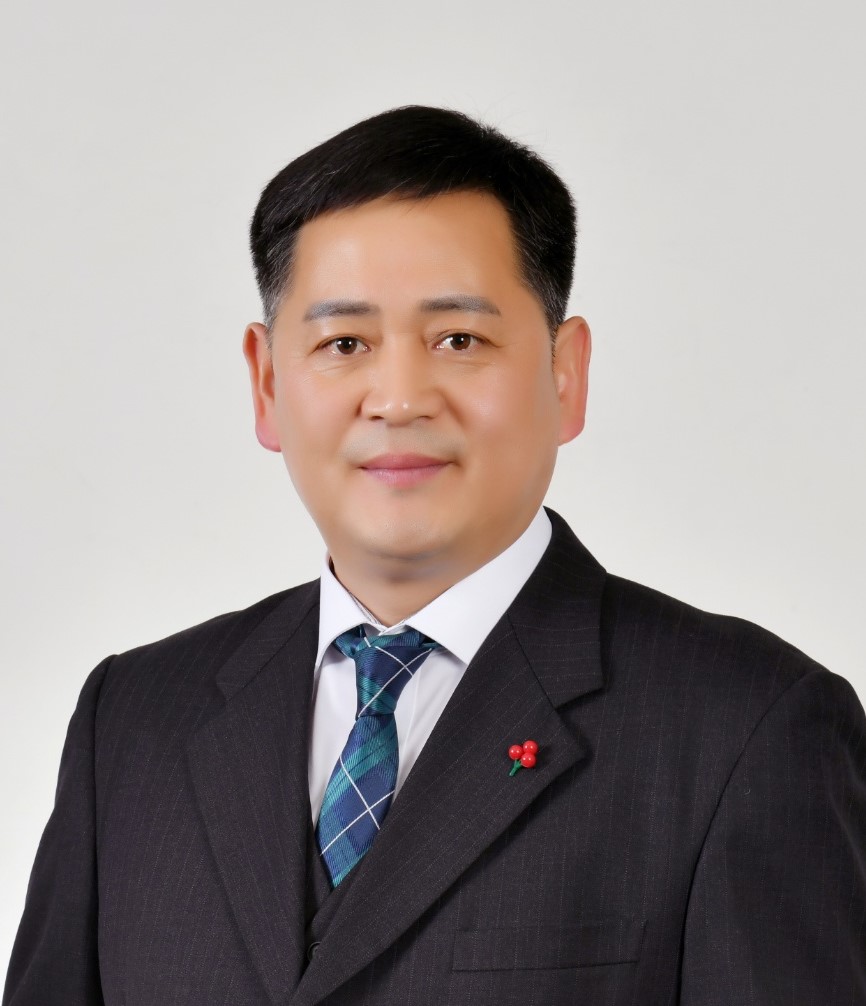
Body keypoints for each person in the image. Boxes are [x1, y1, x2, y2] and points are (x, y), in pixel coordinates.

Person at [4, 105, 865, 1006]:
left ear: (566, 373)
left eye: (460, 340)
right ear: (266, 382)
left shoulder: (747, 728)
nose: (400, 398)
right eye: (344, 343)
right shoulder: (133, 722)